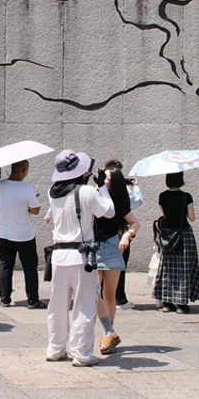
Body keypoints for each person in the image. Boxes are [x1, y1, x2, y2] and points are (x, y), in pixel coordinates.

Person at [45, 150, 115, 367]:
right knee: (83, 304)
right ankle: (82, 353)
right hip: (81, 255)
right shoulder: (86, 192)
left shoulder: (52, 192)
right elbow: (109, 211)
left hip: (58, 255)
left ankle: (56, 348)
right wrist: (102, 186)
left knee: (57, 305)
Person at [95, 169, 140, 354]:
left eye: (106, 178)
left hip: (113, 247)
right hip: (93, 247)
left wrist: (127, 236)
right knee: (92, 293)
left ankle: (108, 334)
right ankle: (110, 331)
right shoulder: (95, 197)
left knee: (109, 294)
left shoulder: (120, 202)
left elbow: (136, 223)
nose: (102, 180)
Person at [0, 160, 45, 308]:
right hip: (24, 235)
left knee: (5, 265)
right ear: (24, 171)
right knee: (29, 267)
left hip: (4, 233)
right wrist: (26, 208)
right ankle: (33, 300)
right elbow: (35, 210)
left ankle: (4, 299)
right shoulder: (27, 189)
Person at [154, 172, 199, 313]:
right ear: (181, 180)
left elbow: (165, 215)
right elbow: (192, 218)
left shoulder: (162, 196)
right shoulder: (186, 196)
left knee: (167, 268)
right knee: (185, 268)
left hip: (168, 234)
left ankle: (167, 302)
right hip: (183, 234)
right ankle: (181, 304)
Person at [105, 159, 142, 309]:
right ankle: (119, 298)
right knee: (120, 265)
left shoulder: (99, 192)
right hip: (120, 230)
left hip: (106, 234)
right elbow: (137, 202)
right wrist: (135, 187)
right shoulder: (124, 191)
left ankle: (106, 298)